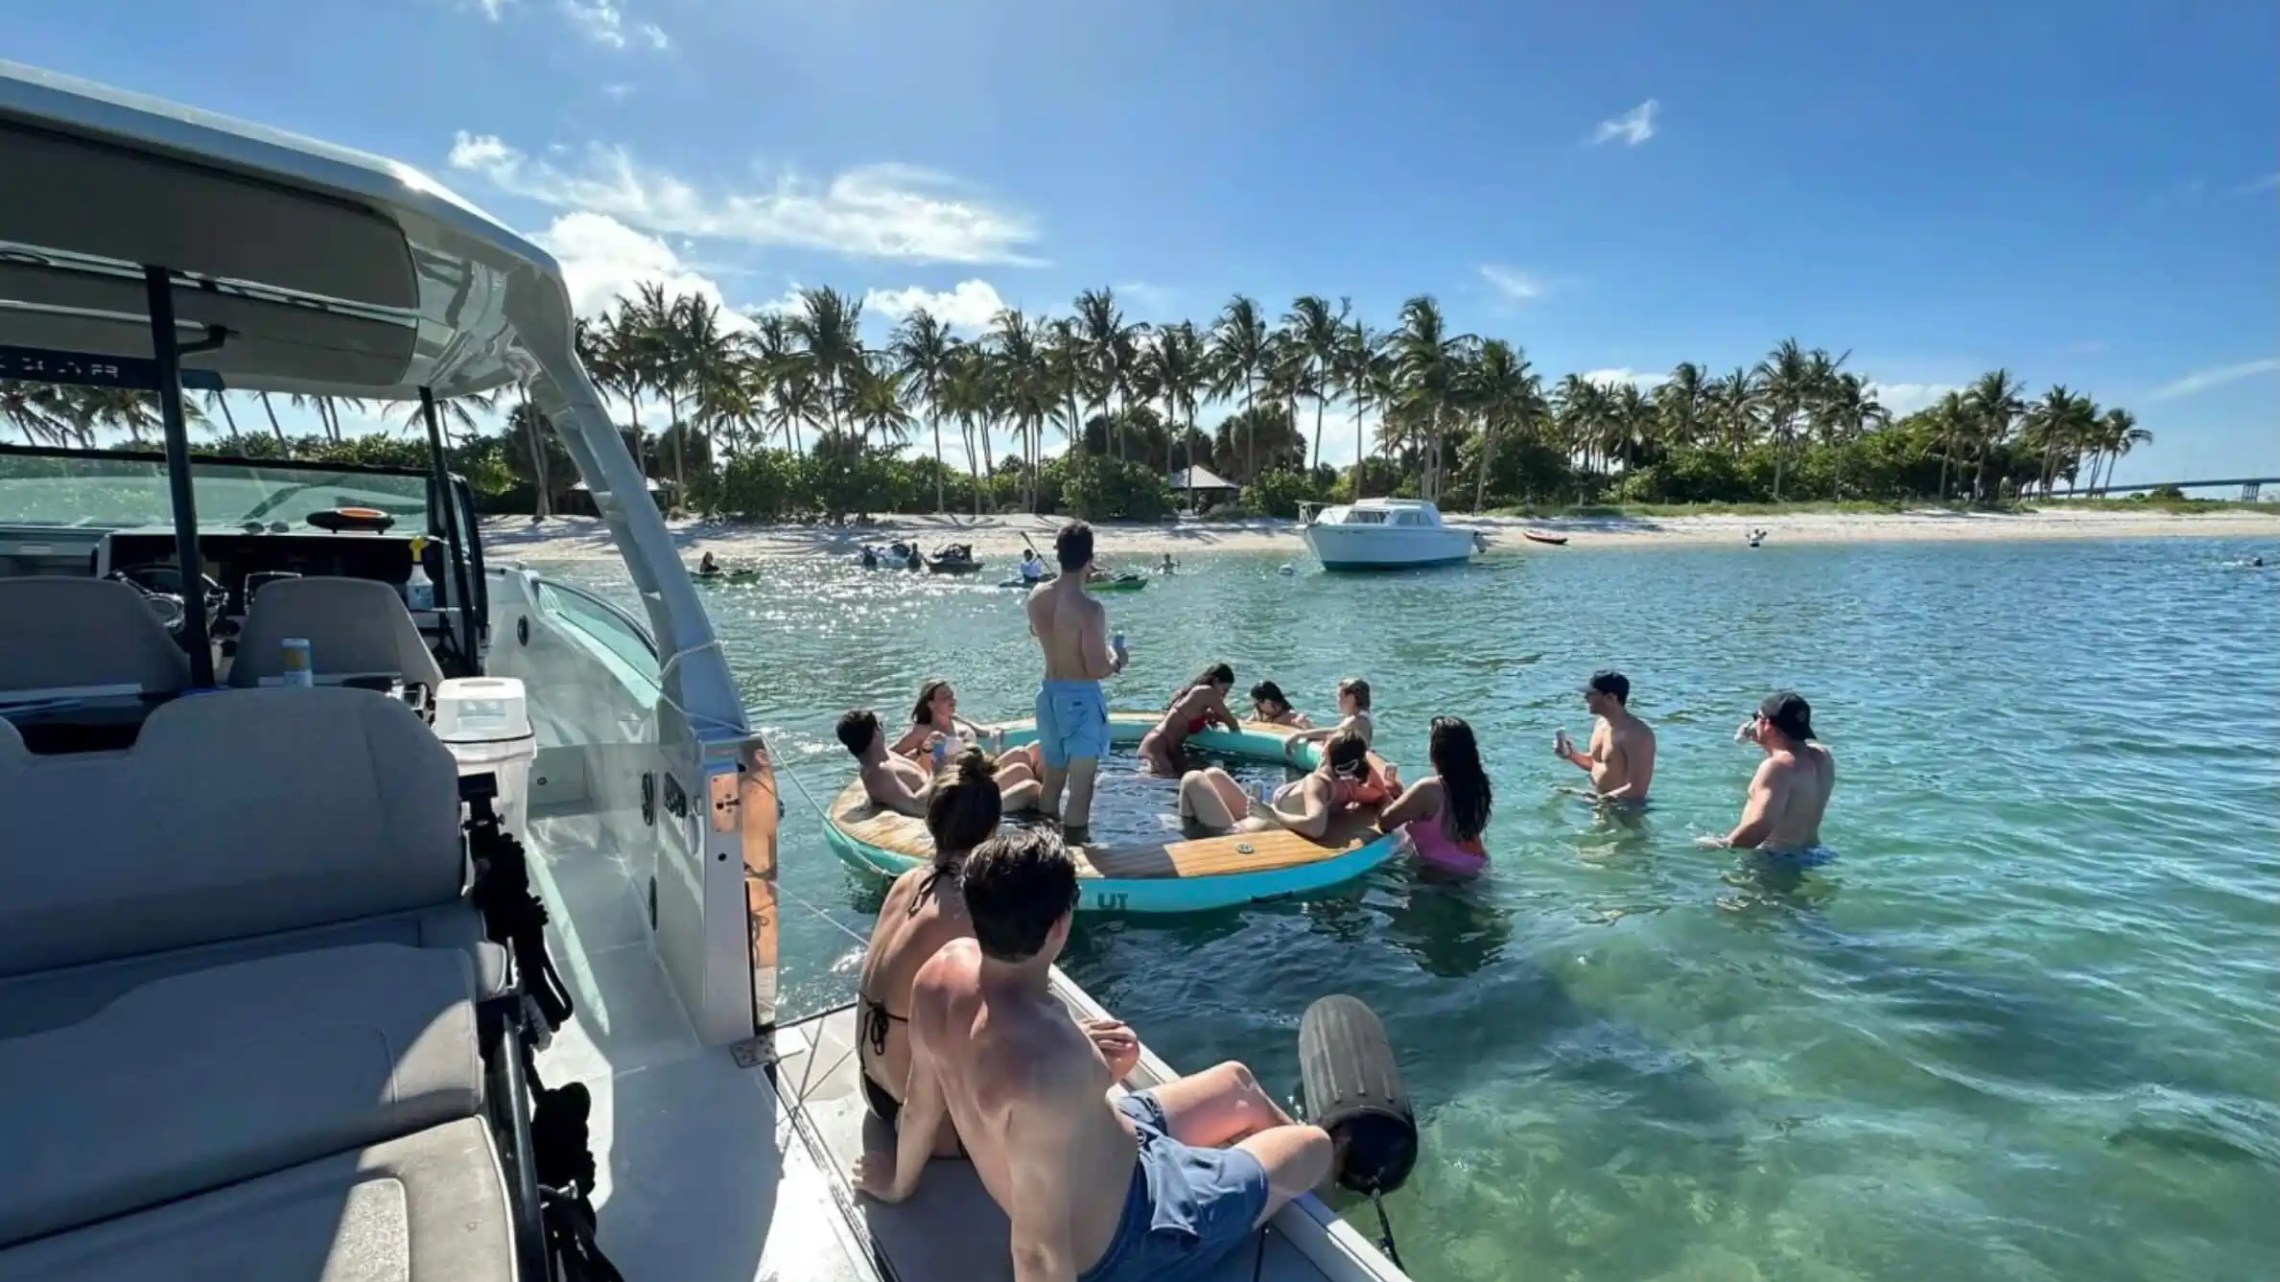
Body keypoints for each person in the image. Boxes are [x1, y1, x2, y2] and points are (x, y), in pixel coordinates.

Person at [852, 828, 1331, 1282]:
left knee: (1237, 1081)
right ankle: (1287, 1197)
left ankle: (1247, 1179)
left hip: (1114, 1145)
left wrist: (899, 1184)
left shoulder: (940, 975)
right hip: (1133, 1233)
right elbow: (1037, 1254)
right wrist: (1083, 1067)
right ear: (1060, 926)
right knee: (1315, 1146)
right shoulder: (1053, 1068)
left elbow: (920, 1106)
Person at [855, 748, 1004, 1154]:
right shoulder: (968, 912)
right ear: (992, 829)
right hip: (921, 1121)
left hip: (873, 1089)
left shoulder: (907, 881)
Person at [1026, 521, 1128, 839]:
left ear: (1058, 555)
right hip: (1080, 699)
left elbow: (1037, 631)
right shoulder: (1089, 609)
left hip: (1049, 695)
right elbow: (1096, 667)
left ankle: (1041, 848)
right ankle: (1073, 857)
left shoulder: (1037, 595)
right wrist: (1118, 660)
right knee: (1081, 788)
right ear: (1090, 558)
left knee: (1053, 781)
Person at [1178, 729, 1385, 840]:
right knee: (1214, 774)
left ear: (1327, 749)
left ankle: (1189, 834)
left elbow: (1316, 827)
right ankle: (1192, 826)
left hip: (1240, 834)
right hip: (1256, 823)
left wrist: (1271, 814)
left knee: (1193, 778)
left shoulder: (1318, 783)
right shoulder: (1347, 785)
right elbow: (1379, 793)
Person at [1698, 692, 1835, 856]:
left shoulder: (1777, 768)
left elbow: (1760, 826)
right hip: (1815, 853)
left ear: (1767, 725)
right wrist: (1766, 739)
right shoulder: (1823, 756)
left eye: (1756, 717)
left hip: (1776, 860)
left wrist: (1722, 844)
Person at [840, 707, 1039, 817]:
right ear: (875, 733)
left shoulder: (886, 755)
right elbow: (917, 807)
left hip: (952, 790)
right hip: (949, 808)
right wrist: (938, 771)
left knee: (1020, 758)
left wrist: (929, 751)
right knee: (1029, 788)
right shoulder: (877, 773)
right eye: (880, 725)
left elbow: (920, 776)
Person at [1377, 716, 1494, 876]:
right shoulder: (1479, 785)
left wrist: (1383, 796)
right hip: (1477, 864)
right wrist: (1402, 796)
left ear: (1437, 750)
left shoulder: (1428, 789)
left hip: (1442, 874)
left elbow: (1386, 822)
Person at [892, 678, 1042, 780]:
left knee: (1028, 751)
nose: (952, 700)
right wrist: (917, 761)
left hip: (982, 769)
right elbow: (891, 753)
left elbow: (984, 732)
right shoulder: (923, 731)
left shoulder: (956, 719)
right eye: (945, 697)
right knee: (1021, 770)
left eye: (952, 695)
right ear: (931, 704)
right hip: (962, 781)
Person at [1554, 670, 1656, 804]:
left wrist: (1593, 800)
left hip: (1624, 812)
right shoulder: (1601, 724)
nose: (1585, 698)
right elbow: (1597, 764)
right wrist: (1570, 754)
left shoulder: (1637, 734)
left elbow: (1636, 790)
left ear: (1611, 698)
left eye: (1591, 694)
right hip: (1602, 803)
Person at [1137, 663, 1239, 775]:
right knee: (1162, 782)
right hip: (1158, 747)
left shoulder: (1193, 693)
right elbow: (1232, 723)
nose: (1224, 694)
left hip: (1170, 748)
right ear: (1215, 681)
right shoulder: (1207, 692)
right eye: (1224, 689)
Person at [1286, 677, 1376, 750]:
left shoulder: (1356, 720)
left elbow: (1332, 733)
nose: (1338, 702)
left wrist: (1299, 734)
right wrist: (1308, 727)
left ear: (1351, 698)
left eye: (1340, 697)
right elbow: (1334, 738)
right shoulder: (1361, 716)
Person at [1247, 680, 1313, 729]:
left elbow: (1319, 738)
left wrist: (1307, 725)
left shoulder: (1292, 718)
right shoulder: (1259, 714)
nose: (1256, 707)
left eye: (1257, 704)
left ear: (1269, 701)